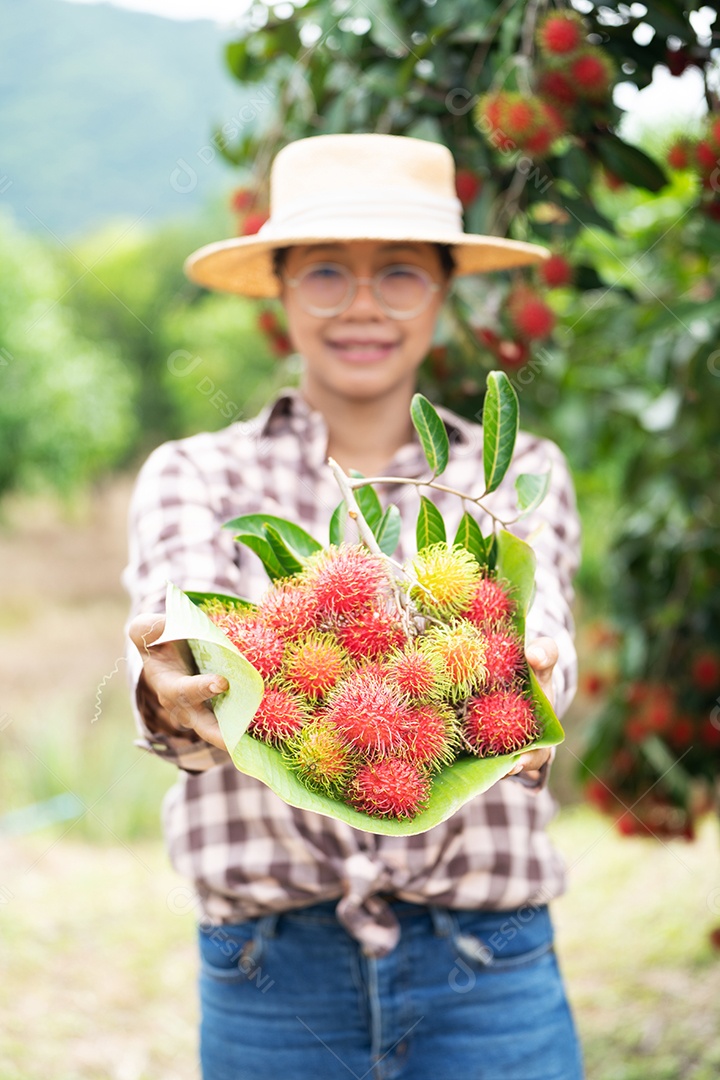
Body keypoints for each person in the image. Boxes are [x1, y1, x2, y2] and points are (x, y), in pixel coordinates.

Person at [123, 133, 584, 1080]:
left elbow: (544, 639)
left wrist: (537, 685)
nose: (364, 305)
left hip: (488, 966)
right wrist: (170, 687)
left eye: (401, 274)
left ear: (445, 293)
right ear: (282, 290)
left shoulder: (513, 476)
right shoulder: (197, 475)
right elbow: (180, 645)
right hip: (266, 974)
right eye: (328, 272)